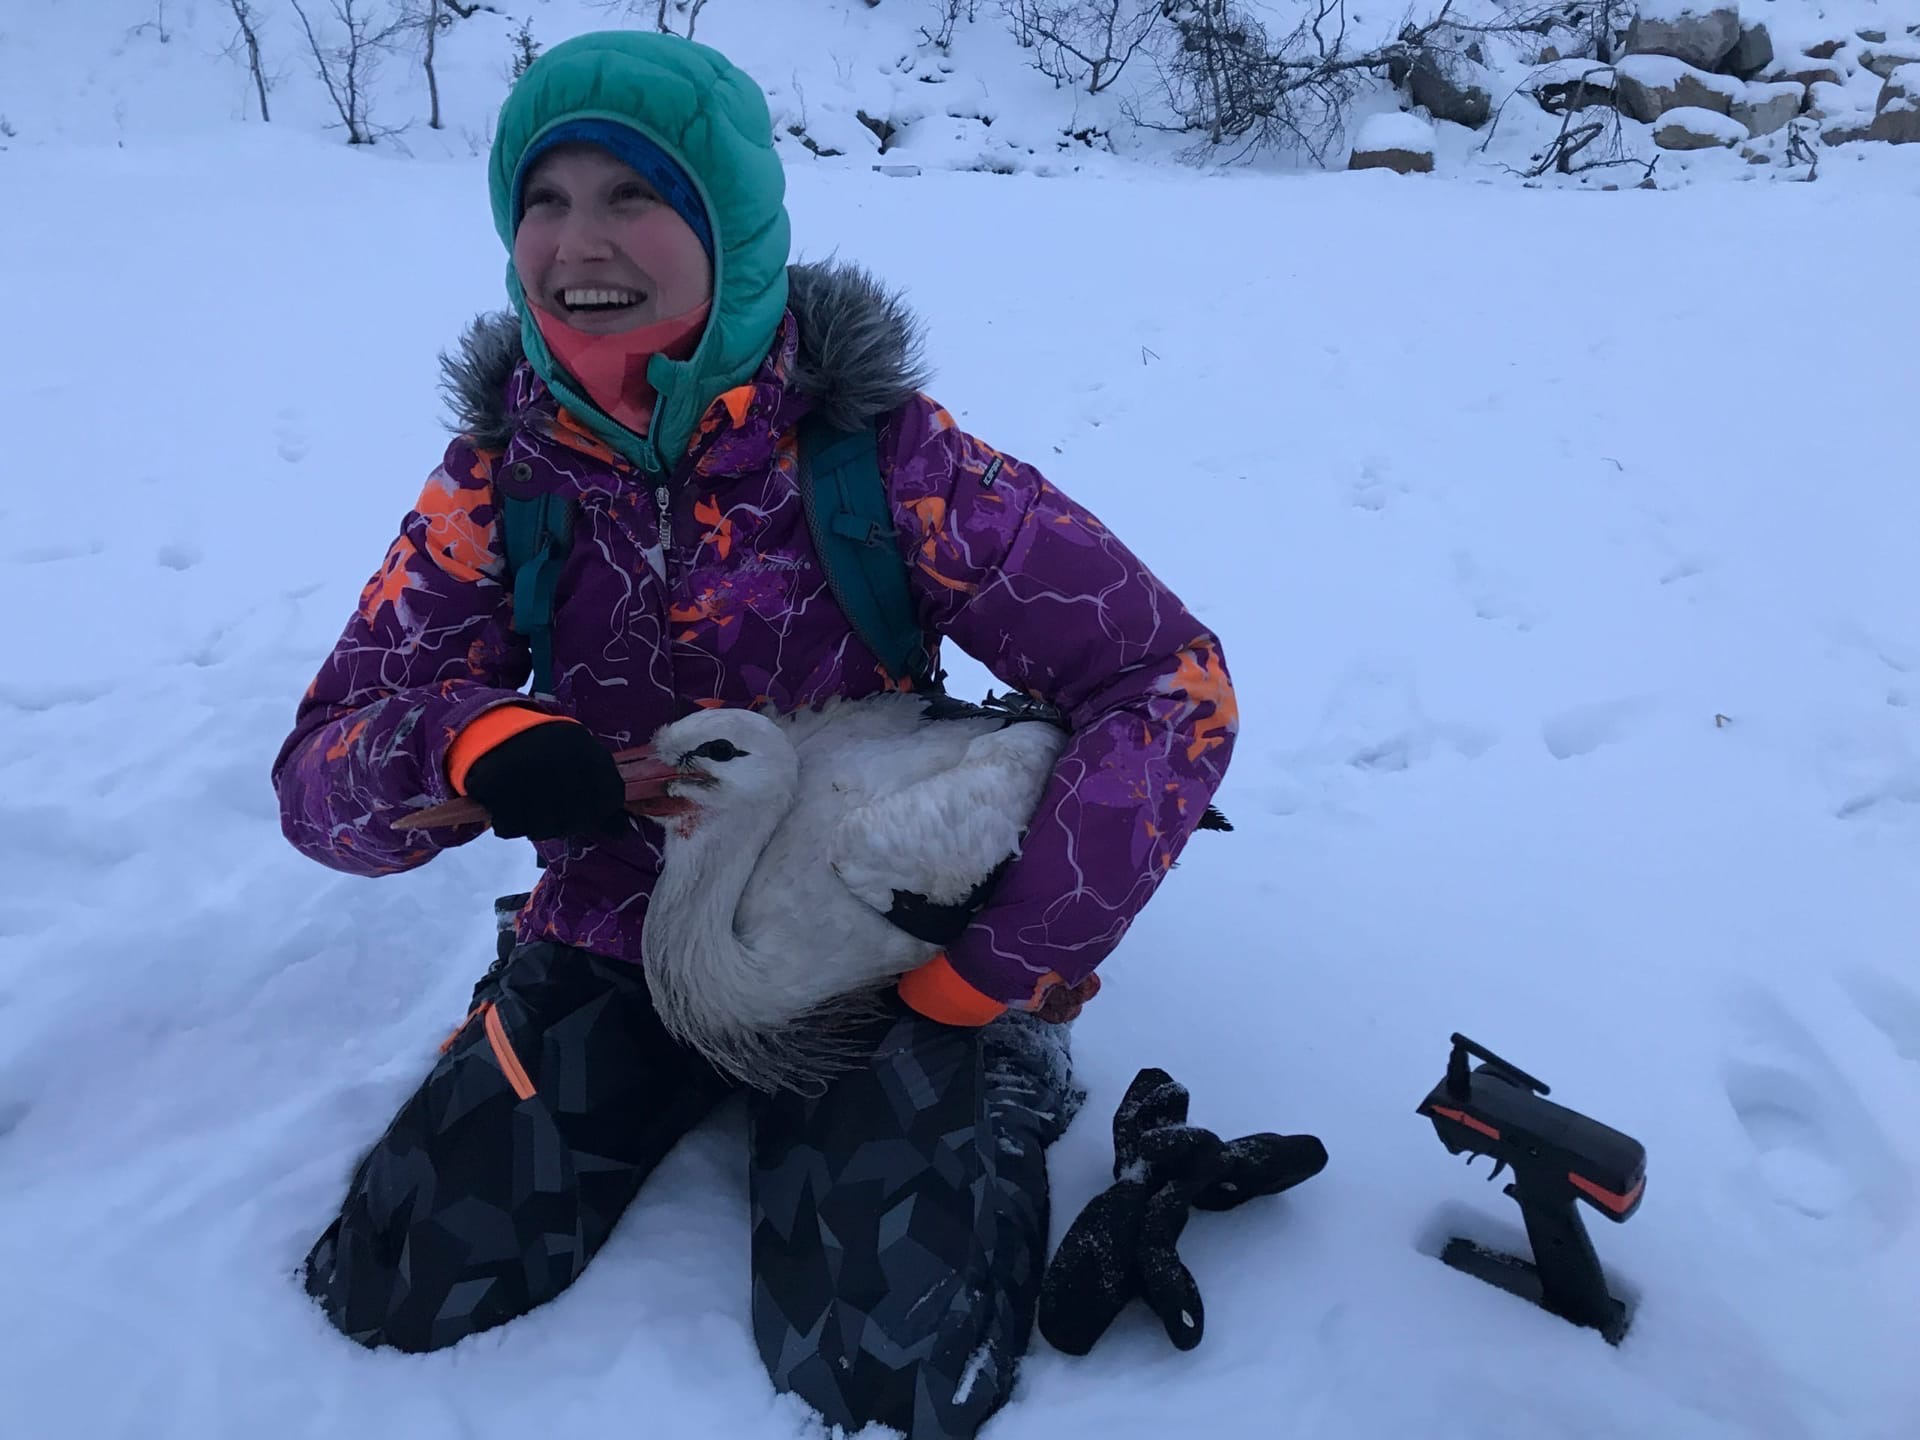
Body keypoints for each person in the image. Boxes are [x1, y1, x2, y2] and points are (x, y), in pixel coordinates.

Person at [273, 28, 1236, 1440]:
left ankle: (1004, 1071)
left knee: (888, 1374)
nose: (578, 241)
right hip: (615, 926)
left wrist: (997, 967)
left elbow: (1170, 683)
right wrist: (469, 747)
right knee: (398, 1280)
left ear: (728, 225)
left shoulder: (889, 462)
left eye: (633, 196)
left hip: (868, 947)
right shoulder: (499, 483)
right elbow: (319, 776)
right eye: (543, 199)